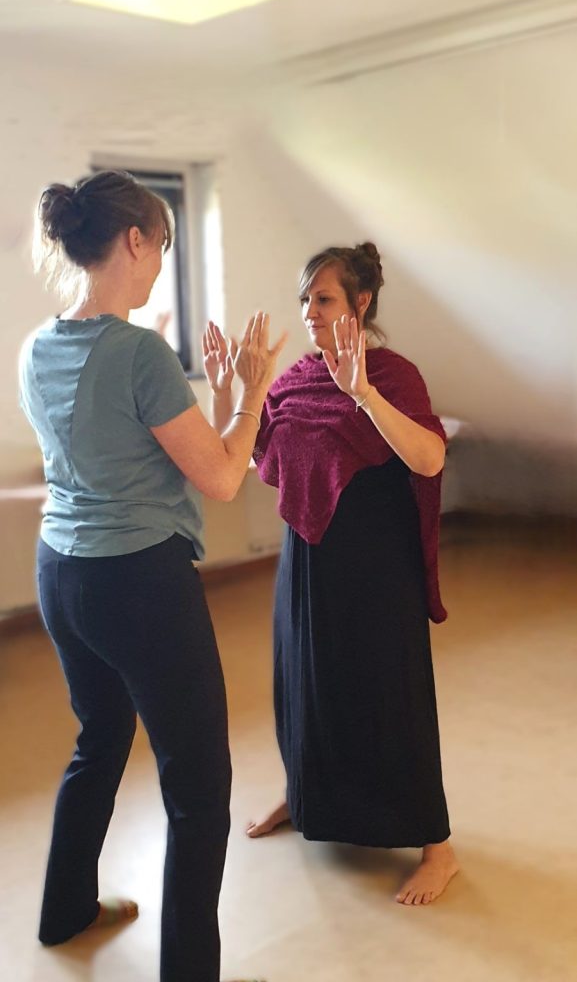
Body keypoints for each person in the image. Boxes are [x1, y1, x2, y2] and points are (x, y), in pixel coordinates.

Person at [18, 169, 284, 982]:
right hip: (137, 585)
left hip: (61, 573)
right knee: (199, 788)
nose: (161, 261)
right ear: (134, 241)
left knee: (99, 737)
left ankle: (65, 909)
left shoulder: (37, 344)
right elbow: (223, 478)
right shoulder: (139, 352)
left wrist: (222, 397)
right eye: (162, 245)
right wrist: (251, 392)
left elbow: (114, 452)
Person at [214, 242, 458, 906]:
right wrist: (233, 390)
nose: (309, 311)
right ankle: (306, 797)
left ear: (361, 302)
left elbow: (429, 458)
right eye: (305, 299)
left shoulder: (394, 375)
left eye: (322, 298)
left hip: (377, 566)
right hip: (306, 559)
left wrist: (364, 394)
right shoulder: (295, 378)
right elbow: (253, 456)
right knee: (304, 683)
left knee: (388, 693)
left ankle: (437, 847)